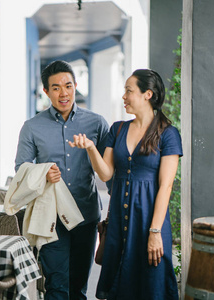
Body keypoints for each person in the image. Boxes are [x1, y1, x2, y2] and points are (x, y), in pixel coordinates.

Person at [69, 69, 182, 299]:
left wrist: (155, 231)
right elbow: (106, 174)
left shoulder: (168, 134)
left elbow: (166, 186)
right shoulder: (118, 129)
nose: (124, 96)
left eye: (129, 91)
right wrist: (91, 148)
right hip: (119, 223)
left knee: (151, 286)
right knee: (120, 288)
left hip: (149, 222)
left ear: (147, 94)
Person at [15, 60, 110, 300]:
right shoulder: (32, 127)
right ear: (46, 92)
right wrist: (42, 174)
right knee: (56, 287)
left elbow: (108, 171)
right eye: (56, 87)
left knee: (78, 287)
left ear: (76, 86)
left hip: (85, 216)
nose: (63, 92)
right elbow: (20, 169)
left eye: (68, 85)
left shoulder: (97, 123)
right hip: (50, 219)